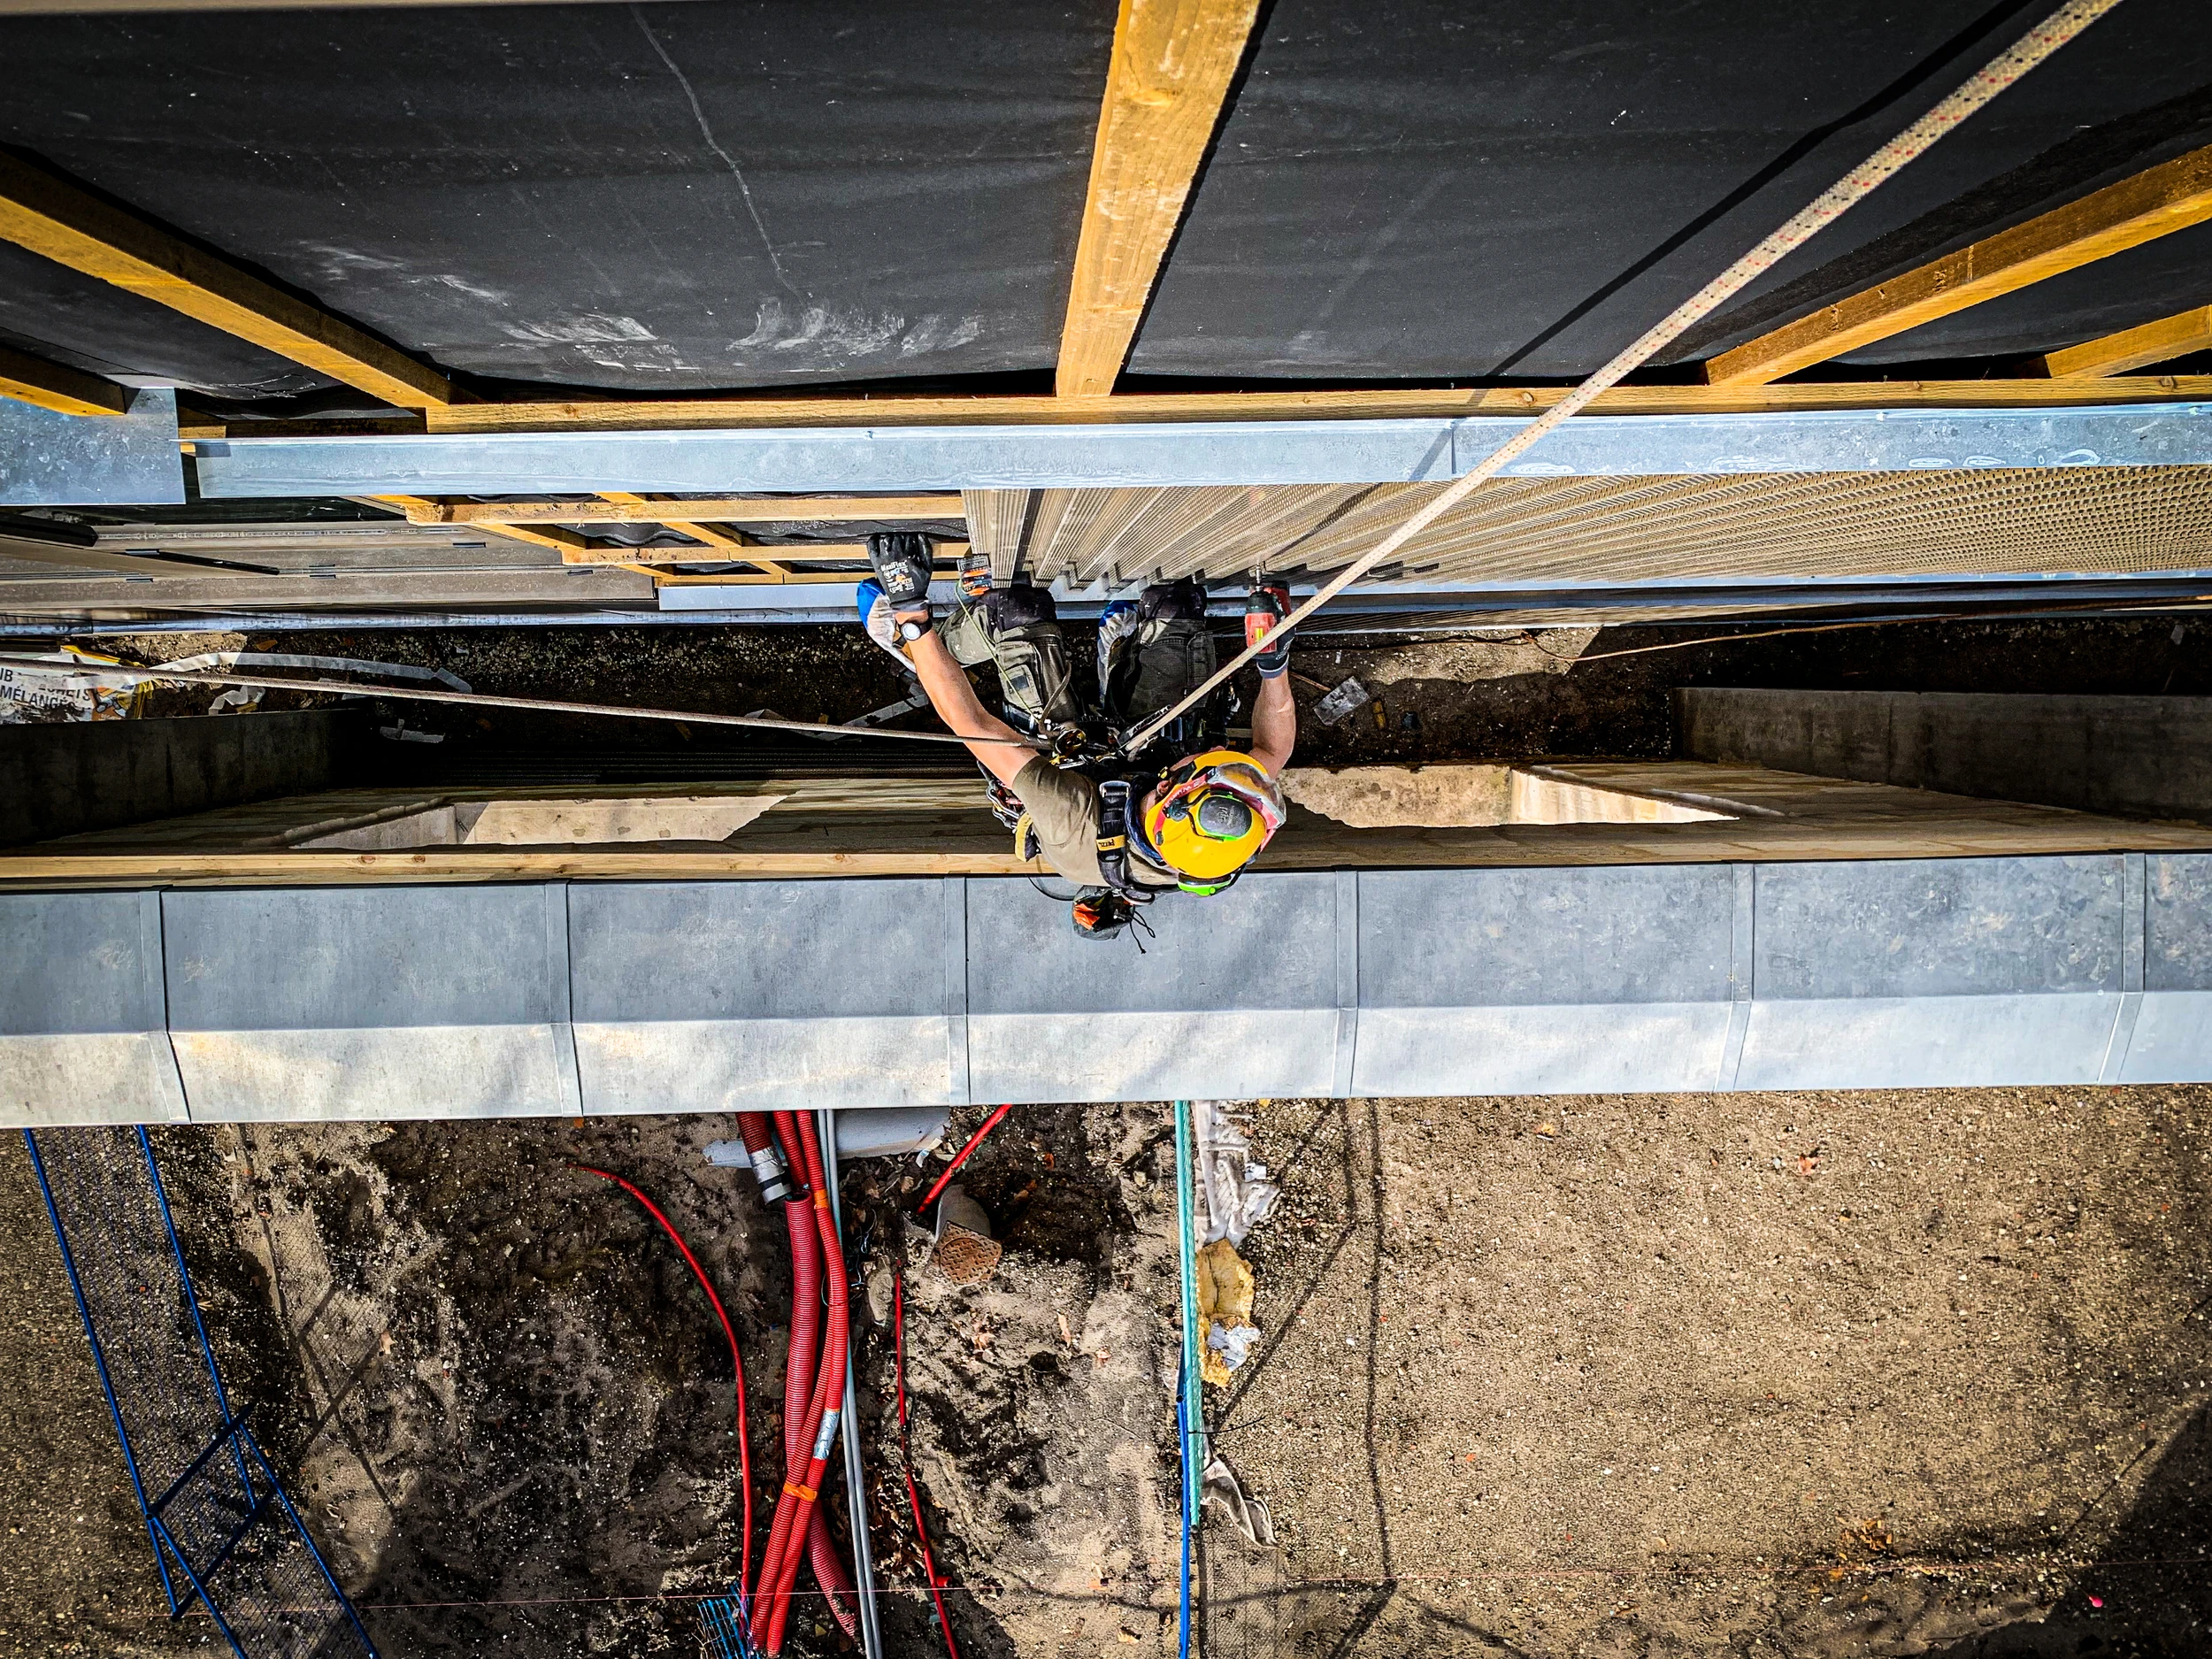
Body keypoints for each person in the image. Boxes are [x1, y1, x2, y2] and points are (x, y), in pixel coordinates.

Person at [856, 533, 1297, 939]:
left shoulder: (1072, 822)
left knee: (1017, 609)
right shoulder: (1224, 827)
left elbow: (970, 723)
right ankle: (1123, 666)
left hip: (1068, 762)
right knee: (1178, 605)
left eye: (1198, 767)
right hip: (1146, 753)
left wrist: (912, 612)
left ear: (1167, 789)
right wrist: (1273, 663)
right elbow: (1272, 750)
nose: (1214, 756)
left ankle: (920, 648)